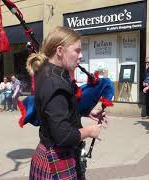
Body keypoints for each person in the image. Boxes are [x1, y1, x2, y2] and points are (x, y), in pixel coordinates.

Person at [26, 26, 107, 180]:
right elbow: (63, 136)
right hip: (56, 158)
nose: (81, 55)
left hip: (49, 153)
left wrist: (85, 111)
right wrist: (89, 131)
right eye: (77, 50)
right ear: (60, 50)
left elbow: (52, 109)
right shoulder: (55, 82)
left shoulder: (46, 72)